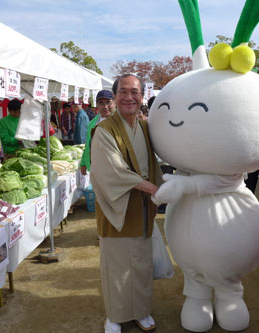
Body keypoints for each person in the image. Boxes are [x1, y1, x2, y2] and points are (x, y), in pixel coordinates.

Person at [90, 74, 162, 333]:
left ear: (142, 96)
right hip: (116, 206)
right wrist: (153, 189)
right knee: (117, 266)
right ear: (115, 96)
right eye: (123, 92)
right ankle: (115, 316)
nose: (129, 97)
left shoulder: (145, 127)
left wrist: (155, 193)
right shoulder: (104, 130)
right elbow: (112, 172)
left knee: (141, 263)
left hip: (142, 207)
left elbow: (153, 163)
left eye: (135, 92)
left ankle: (141, 311)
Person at [80, 90, 115, 175]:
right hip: (96, 167)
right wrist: (83, 162)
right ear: (97, 105)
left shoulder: (118, 122)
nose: (105, 106)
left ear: (114, 103)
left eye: (108, 102)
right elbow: (88, 144)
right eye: (101, 103)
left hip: (113, 169)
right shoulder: (93, 122)